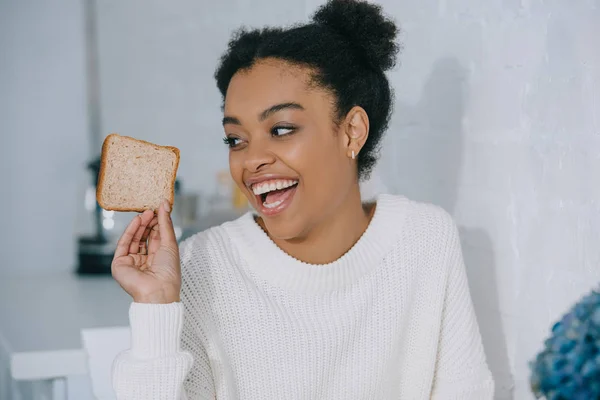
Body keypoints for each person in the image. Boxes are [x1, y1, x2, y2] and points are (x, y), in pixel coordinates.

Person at [110, 1, 494, 398]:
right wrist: (156, 307)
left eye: (281, 129)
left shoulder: (425, 240)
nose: (252, 159)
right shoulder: (197, 269)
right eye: (235, 139)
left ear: (351, 132)